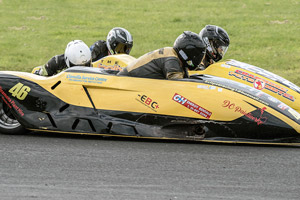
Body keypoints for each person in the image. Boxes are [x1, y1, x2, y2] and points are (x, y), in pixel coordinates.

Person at [117, 31, 206, 80]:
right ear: (189, 53)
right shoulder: (171, 59)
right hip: (126, 81)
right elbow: (179, 85)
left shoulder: (173, 54)